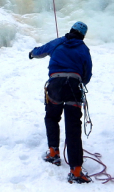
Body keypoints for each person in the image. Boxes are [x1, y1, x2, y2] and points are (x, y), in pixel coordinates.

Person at [29, 21, 93, 184]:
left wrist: (32, 53)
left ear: (71, 30)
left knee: (51, 117)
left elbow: (40, 51)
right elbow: (87, 73)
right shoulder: (84, 49)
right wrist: (80, 81)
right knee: (73, 127)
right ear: (83, 35)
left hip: (55, 85)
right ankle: (76, 171)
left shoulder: (58, 42)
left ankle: (53, 153)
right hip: (73, 86)